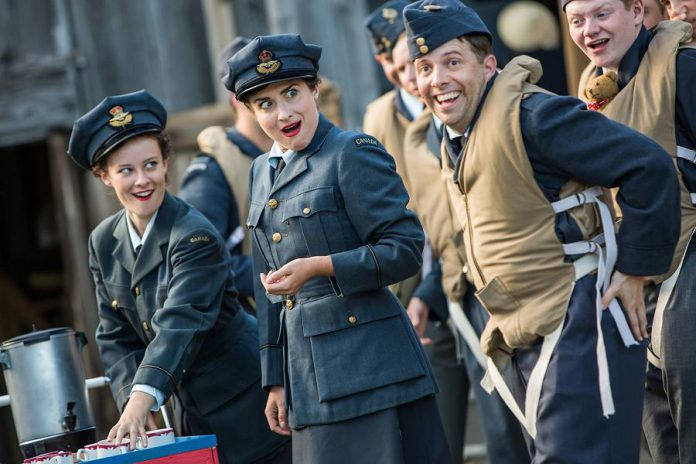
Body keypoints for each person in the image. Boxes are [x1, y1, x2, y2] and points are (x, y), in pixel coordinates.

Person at [404, 0, 680, 462]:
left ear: (489, 65)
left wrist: (635, 271)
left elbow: (649, 167)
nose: (438, 80)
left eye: (453, 62)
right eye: (426, 68)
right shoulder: (460, 134)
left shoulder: (534, 116)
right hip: (530, 335)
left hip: (578, 325)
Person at [224, 34, 451, 463]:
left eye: (292, 93)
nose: (284, 112)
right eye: (266, 104)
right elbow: (271, 288)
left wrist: (323, 266)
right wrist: (275, 379)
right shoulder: (259, 171)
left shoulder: (352, 151)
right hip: (308, 382)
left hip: (375, 375)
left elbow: (404, 247)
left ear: (315, 89)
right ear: (251, 112)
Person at [66, 90, 290, 464]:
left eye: (151, 164)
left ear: (167, 161)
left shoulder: (194, 234)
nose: (142, 180)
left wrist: (142, 399)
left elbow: (181, 323)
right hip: (191, 413)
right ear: (103, 175)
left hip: (250, 403)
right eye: (126, 170)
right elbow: (115, 333)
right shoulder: (103, 241)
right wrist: (132, 401)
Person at [565, 0, 696, 461]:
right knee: (655, 425)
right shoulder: (592, 87)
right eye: (577, 21)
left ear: (638, 12)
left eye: (602, 14)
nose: (589, 30)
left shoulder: (685, 66)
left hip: (688, 250)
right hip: (633, 265)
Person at [403, 108, 530, 464]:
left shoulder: (509, 110)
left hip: (519, 286)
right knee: (500, 428)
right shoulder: (418, 135)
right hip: (458, 291)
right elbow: (444, 230)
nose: (416, 77)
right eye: (415, 67)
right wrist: (428, 293)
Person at [179, 37, 272, 313]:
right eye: (256, 88)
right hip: (258, 323)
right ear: (235, 96)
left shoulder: (297, 149)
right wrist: (288, 266)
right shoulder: (212, 171)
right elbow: (201, 263)